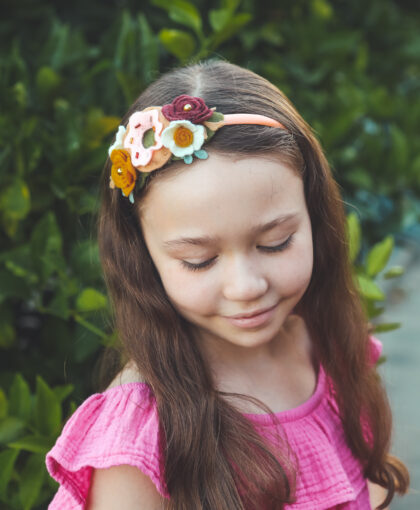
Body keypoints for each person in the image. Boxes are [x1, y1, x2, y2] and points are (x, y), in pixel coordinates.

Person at [45, 60, 409, 509]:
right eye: (199, 261)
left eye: (276, 243)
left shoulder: (328, 345)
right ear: (143, 258)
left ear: (315, 217)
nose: (245, 287)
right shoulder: (142, 433)